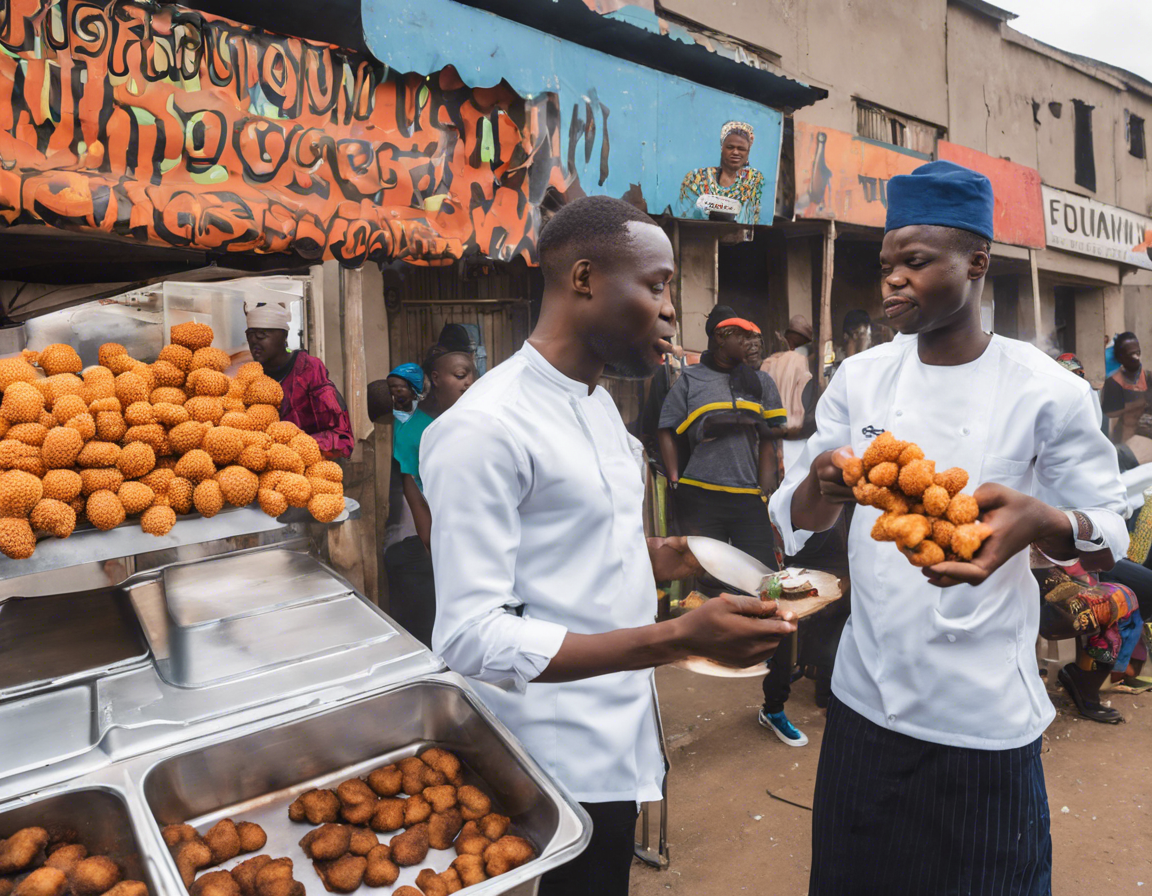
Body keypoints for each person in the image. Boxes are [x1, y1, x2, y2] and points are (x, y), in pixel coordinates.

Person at [770, 160, 1129, 895]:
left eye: (916, 261)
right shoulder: (861, 378)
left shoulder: (1045, 389)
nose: (892, 280)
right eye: (886, 264)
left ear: (977, 263)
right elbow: (799, 521)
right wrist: (822, 482)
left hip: (983, 719)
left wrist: (1041, 521)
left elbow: (1108, 528)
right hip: (867, 704)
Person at [420, 196, 796, 896]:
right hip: (541, 770)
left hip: (617, 742)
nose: (669, 312)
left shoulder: (597, 405)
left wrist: (673, 556)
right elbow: (471, 637)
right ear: (585, 278)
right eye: (655, 286)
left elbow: (575, 550)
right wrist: (674, 639)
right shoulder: (486, 429)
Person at [244, 300, 354, 459]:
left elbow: (342, 437)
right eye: (250, 335)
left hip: (310, 466)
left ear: (284, 335)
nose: (254, 341)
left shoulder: (309, 371)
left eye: (262, 334)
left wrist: (294, 446)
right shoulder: (251, 375)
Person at [676, 121, 765, 225]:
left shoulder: (753, 180)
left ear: (748, 153)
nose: (735, 152)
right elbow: (685, 216)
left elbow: (754, 218)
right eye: (730, 147)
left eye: (741, 149)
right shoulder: (697, 179)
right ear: (722, 148)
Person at [761, 314, 816, 474]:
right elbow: (807, 401)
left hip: (771, 438)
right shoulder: (803, 362)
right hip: (797, 437)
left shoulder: (768, 362)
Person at [1101, 331, 1149, 444]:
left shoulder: (1148, 377)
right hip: (1125, 442)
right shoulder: (1112, 383)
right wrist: (1136, 404)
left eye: (1137, 353)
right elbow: (1109, 415)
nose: (1136, 358)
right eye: (1131, 354)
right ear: (1120, 358)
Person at [823, 309, 872, 380]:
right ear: (855, 335)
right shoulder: (832, 362)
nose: (869, 340)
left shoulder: (868, 366)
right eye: (867, 335)